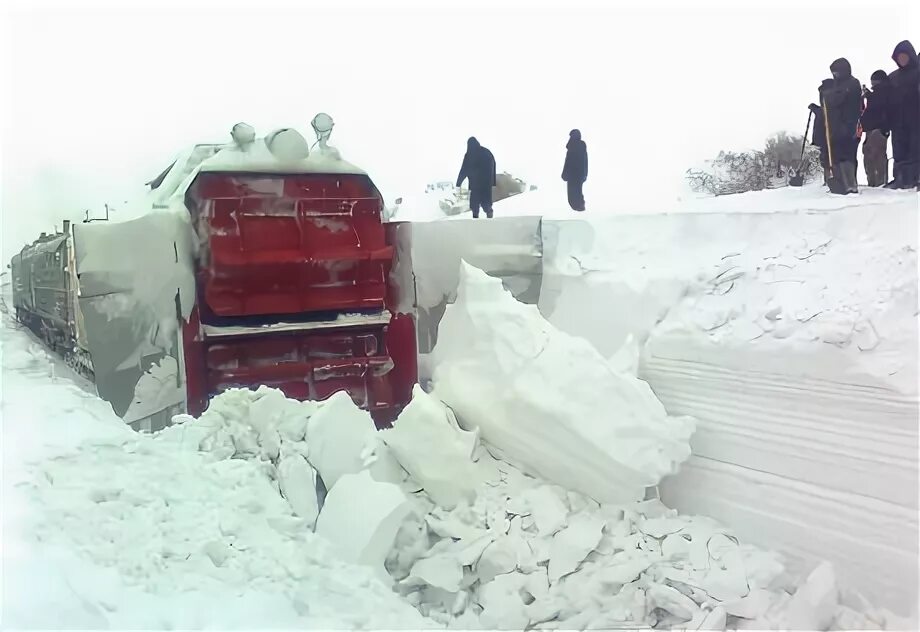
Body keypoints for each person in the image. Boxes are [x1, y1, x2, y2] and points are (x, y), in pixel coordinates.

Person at [818, 58, 863, 194]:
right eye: (834, 73)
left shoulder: (853, 83)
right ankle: (839, 183)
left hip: (850, 124)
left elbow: (839, 99)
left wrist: (830, 95)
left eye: (837, 72)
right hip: (836, 125)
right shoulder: (836, 86)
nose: (836, 75)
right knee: (836, 154)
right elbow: (829, 103)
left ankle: (850, 184)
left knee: (848, 154)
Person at [886, 40, 919, 190]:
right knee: (898, 150)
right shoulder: (893, 77)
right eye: (899, 57)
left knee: (915, 149)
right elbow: (885, 99)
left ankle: (915, 178)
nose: (902, 60)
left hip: (916, 118)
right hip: (898, 120)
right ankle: (899, 178)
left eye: (905, 56)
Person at [861, 70, 891, 187]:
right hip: (872, 128)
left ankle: (878, 182)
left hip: (878, 128)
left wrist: (869, 96)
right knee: (869, 153)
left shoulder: (883, 92)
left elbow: (879, 108)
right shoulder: (877, 93)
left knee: (875, 155)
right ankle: (874, 182)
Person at [456, 137, 497, 218]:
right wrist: (493, 181)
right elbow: (493, 167)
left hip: (477, 184)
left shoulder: (469, 154)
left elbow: (464, 170)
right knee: (484, 203)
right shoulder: (486, 152)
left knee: (476, 204)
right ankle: (488, 216)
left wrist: (458, 183)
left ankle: (479, 219)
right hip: (485, 184)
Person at [561, 129, 588, 211]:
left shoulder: (575, 146)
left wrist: (565, 173)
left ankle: (579, 206)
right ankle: (579, 206)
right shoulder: (576, 146)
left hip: (574, 175)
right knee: (575, 193)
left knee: (574, 193)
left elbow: (569, 161)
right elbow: (584, 161)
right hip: (576, 175)